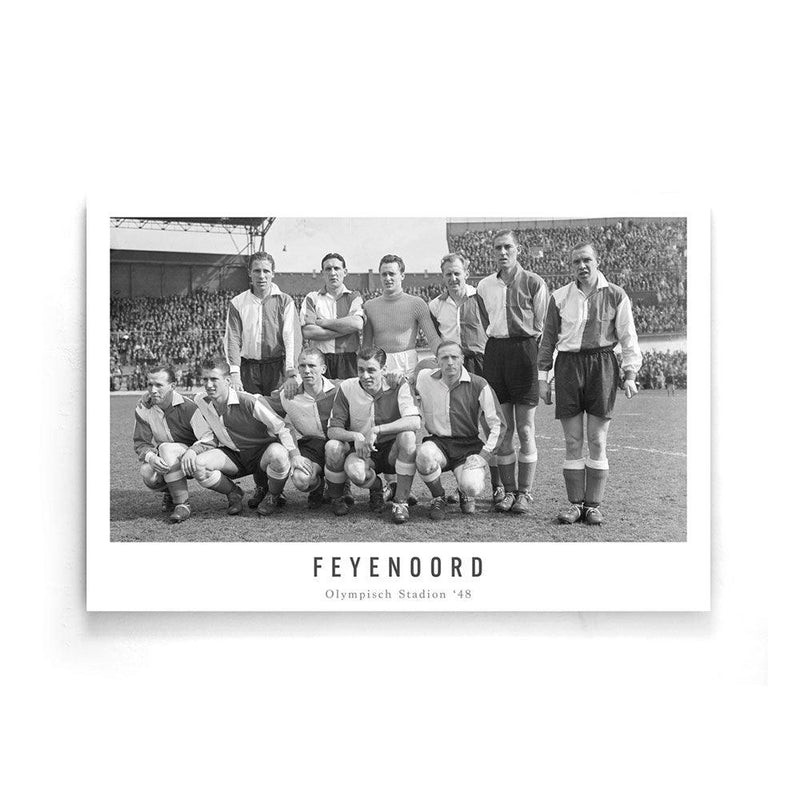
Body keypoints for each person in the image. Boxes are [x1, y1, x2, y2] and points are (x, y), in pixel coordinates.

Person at [537, 242, 642, 525]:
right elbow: (548, 340)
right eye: (576, 262)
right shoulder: (559, 297)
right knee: (572, 440)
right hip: (568, 366)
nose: (581, 266)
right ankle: (575, 505)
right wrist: (543, 378)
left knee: (597, 439)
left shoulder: (616, 294)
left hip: (602, 365)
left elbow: (628, 336)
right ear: (571, 266)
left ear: (598, 261)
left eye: (586, 260)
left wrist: (630, 374)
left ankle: (593, 506)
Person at [476, 229, 549, 515]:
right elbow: (486, 320)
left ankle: (525, 493)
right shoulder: (484, 286)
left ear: (518, 249)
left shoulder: (534, 282)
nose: (502, 252)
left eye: (507, 246)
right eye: (497, 248)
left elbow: (542, 324)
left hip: (525, 351)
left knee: (526, 429)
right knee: (503, 429)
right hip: (496, 353)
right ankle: (508, 492)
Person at [428, 252, 504, 501]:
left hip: (481, 362)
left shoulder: (480, 297)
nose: (453, 278)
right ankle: (462, 484)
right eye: (448, 274)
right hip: (453, 365)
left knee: (488, 423)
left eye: (457, 273)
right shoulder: (435, 305)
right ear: (443, 276)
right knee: (458, 423)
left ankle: (498, 485)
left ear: (466, 274)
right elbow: (435, 338)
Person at [189, 357, 297, 517]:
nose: (209, 385)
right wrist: (152, 400)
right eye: (205, 379)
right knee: (199, 465)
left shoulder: (248, 401)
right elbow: (182, 403)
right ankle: (234, 493)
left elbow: (283, 427)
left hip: (261, 455)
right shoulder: (201, 400)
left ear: (227, 381)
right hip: (233, 456)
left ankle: (273, 495)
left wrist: (295, 455)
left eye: (214, 379)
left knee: (278, 455)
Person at [326, 346, 421, 523]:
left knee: (408, 436)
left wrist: (377, 429)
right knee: (354, 470)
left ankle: (401, 502)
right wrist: (356, 436)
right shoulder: (347, 388)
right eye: (360, 370)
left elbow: (415, 421)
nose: (365, 375)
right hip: (365, 451)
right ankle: (377, 488)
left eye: (371, 370)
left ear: (384, 369)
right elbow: (332, 430)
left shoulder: (398, 384)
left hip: (392, 450)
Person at [413, 341, 505, 519]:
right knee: (424, 456)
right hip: (439, 443)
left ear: (462, 359)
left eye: (454, 357)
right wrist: (398, 378)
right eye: (444, 358)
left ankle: (464, 491)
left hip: (468, 445)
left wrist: (483, 456)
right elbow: (404, 382)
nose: (450, 362)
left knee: (472, 487)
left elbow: (499, 424)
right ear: (437, 360)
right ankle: (438, 497)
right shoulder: (424, 378)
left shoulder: (479, 384)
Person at [262, 347, 352, 508]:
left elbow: (366, 383)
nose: (307, 370)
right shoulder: (288, 393)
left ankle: (338, 492)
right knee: (301, 479)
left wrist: (394, 377)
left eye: (312, 366)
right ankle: (318, 486)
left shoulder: (341, 388)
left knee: (334, 448)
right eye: (302, 366)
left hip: (339, 444)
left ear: (323, 369)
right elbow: (260, 404)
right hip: (311, 445)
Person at [132, 365, 216, 523]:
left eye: (159, 385)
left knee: (166, 448)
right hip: (167, 457)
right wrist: (151, 458)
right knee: (147, 472)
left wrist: (193, 451)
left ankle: (182, 504)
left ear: (173, 386)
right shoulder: (144, 407)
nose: (153, 390)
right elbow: (141, 442)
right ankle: (172, 491)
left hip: (194, 458)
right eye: (150, 384)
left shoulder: (188, 407)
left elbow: (208, 437)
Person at [224, 251, 302, 396]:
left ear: (273, 273)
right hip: (248, 368)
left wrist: (291, 373)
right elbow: (232, 339)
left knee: (277, 408)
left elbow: (291, 339)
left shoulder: (285, 301)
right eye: (257, 271)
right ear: (249, 273)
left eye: (266, 271)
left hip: (277, 368)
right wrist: (234, 373)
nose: (261, 276)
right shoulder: (237, 302)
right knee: (249, 408)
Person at [362, 254, 441, 379]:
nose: (388, 278)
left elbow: (432, 338)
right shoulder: (369, 306)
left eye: (391, 274)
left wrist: (444, 357)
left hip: (407, 364)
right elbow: (366, 345)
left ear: (402, 275)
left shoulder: (417, 304)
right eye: (384, 274)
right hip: (380, 364)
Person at [301, 253, 364, 380]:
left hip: (348, 359)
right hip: (319, 359)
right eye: (328, 269)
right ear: (322, 273)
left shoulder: (354, 297)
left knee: (348, 393)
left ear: (345, 272)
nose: (333, 273)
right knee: (321, 393)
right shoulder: (312, 298)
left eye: (336, 268)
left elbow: (357, 324)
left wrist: (323, 323)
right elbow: (308, 332)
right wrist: (345, 329)